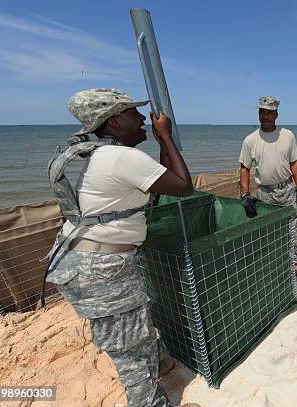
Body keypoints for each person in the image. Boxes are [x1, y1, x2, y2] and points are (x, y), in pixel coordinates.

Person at [46, 89, 199, 407]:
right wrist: (167, 137)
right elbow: (184, 185)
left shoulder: (105, 154)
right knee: (131, 350)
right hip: (101, 269)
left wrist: (159, 145)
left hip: (90, 261)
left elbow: (159, 180)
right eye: (134, 113)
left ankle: (158, 361)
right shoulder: (122, 157)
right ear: (115, 121)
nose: (142, 119)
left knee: (134, 326)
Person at [238, 96, 297, 286]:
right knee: (269, 232)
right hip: (265, 193)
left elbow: (294, 162)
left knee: (290, 229)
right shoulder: (250, 140)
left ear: (276, 114)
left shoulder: (288, 135)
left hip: (288, 189)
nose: (265, 116)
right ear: (258, 113)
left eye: (269, 112)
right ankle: (274, 264)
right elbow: (244, 168)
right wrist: (245, 195)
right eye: (262, 112)